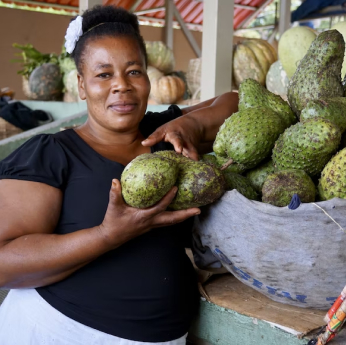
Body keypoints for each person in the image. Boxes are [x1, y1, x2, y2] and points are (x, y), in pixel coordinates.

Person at [0, 5, 238, 345]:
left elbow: (236, 102)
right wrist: (107, 235)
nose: (121, 86)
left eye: (134, 72)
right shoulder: (52, 154)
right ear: (81, 85)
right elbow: (4, 262)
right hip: (58, 331)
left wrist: (190, 122)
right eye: (103, 75)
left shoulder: (164, 134)